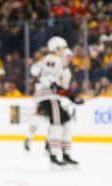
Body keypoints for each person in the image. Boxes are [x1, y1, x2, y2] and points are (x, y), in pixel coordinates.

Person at [28, 37, 78, 167]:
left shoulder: (55, 63)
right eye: (61, 49)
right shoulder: (53, 59)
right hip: (48, 97)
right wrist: (61, 91)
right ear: (55, 48)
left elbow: (35, 70)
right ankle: (54, 155)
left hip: (50, 96)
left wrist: (71, 97)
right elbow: (49, 80)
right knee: (57, 124)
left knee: (66, 122)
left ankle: (64, 154)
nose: (63, 52)